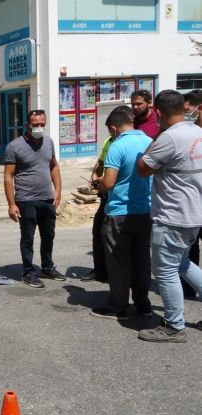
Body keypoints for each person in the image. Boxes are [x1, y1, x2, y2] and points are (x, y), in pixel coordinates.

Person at [137, 90, 202, 343]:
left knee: (165, 271)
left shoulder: (170, 137)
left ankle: (174, 325)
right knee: (182, 264)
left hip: (173, 215)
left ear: (158, 113)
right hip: (194, 212)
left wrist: (156, 138)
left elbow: (143, 168)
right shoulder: (197, 132)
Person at [89, 106, 152, 320]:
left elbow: (109, 182)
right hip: (145, 210)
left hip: (119, 211)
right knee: (142, 259)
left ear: (114, 128)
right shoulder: (149, 141)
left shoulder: (117, 146)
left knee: (118, 261)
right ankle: (143, 304)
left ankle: (118, 306)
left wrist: (99, 184)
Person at [4, 109, 66, 288]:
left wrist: (58, 191)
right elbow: (8, 176)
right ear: (27, 125)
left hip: (47, 198)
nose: (39, 128)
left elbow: (54, 167)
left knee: (48, 235)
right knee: (28, 237)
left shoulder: (49, 142)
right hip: (26, 199)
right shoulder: (14, 146)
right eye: (35, 125)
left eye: (42, 124)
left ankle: (47, 267)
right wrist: (11, 204)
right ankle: (28, 272)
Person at [82, 106, 135, 282]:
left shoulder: (127, 143)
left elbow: (123, 173)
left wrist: (104, 181)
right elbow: (101, 162)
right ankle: (100, 270)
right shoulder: (109, 142)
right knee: (99, 232)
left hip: (121, 197)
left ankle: (118, 276)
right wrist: (95, 175)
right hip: (106, 196)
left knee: (116, 237)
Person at [181, 89, 202, 298]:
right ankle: (188, 287)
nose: (187, 114)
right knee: (191, 248)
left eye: (188, 110)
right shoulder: (191, 132)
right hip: (193, 203)